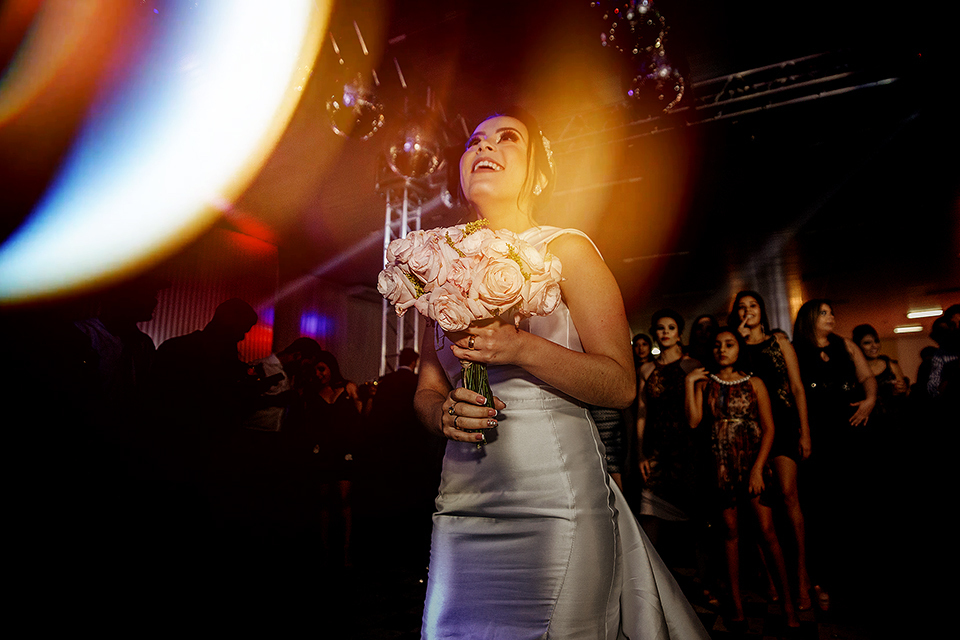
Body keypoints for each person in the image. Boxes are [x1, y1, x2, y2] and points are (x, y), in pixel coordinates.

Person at [414, 107, 707, 638]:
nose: (484, 148)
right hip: (463, 497)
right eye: (474, 141)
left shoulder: (567, 249)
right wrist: (442, 415)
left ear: (540, 174)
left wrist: (522, 347)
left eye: (507, 139)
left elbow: (619, 384)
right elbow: (428, 387)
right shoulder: (437, 265)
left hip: (555, 501)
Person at [685, 328, 800, 629]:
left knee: (766, 530)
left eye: (729, 344)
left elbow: (769, 429)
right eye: (718, 345)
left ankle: (789, 606)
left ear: (739, 349)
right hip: (720, 464)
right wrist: (689, 383)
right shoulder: (705, 383)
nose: (722, 349)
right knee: (729, 531)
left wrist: (759, 468)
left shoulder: (755, 382)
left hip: (752, 462)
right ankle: (736, 606)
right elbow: (695, 421)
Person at [729, 290, 815, 610]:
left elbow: (796, 387)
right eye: (742, 307)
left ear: (762, 311)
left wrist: (804, 431)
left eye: (753, 306)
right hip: (750, 432)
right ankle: (770, 575)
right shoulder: (735, 347)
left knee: (789, 494)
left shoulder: (780, 344)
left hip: (783, 425)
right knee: (758, 508)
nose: (747, 311)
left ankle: (802, 573)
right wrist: (738, 339)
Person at [792, 299, 877, 609]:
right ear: (810, 318)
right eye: (824, 312)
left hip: (849, 431)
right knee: (820, 508)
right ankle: (820, 580)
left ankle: (853, 579)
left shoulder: (846, 345)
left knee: (852, 503)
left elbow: (867, 377)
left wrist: (869, 400)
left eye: (831, 311)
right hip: (817, 434)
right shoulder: (796, 349)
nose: (831, 316)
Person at [636, 309, 702, 545]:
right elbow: (642, 415)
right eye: (660, 328)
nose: (665, 332)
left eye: (671, 328)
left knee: (693, 511)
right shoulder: (646, 370)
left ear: (679, 334)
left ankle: (702, 577)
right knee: (650, 511)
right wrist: (641, 453)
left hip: (685, 447)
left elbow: (697, 416)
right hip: (656, 447)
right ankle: (652, 574)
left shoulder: (692, 365)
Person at [852, 323, 907, 422]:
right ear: (857, 346)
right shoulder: (853, 370)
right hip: (866, 423)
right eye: (867, 343)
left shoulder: (891, 366)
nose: (874, 346)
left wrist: (901, 389)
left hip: (894, 422)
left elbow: (905, 393)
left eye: (876, 341)